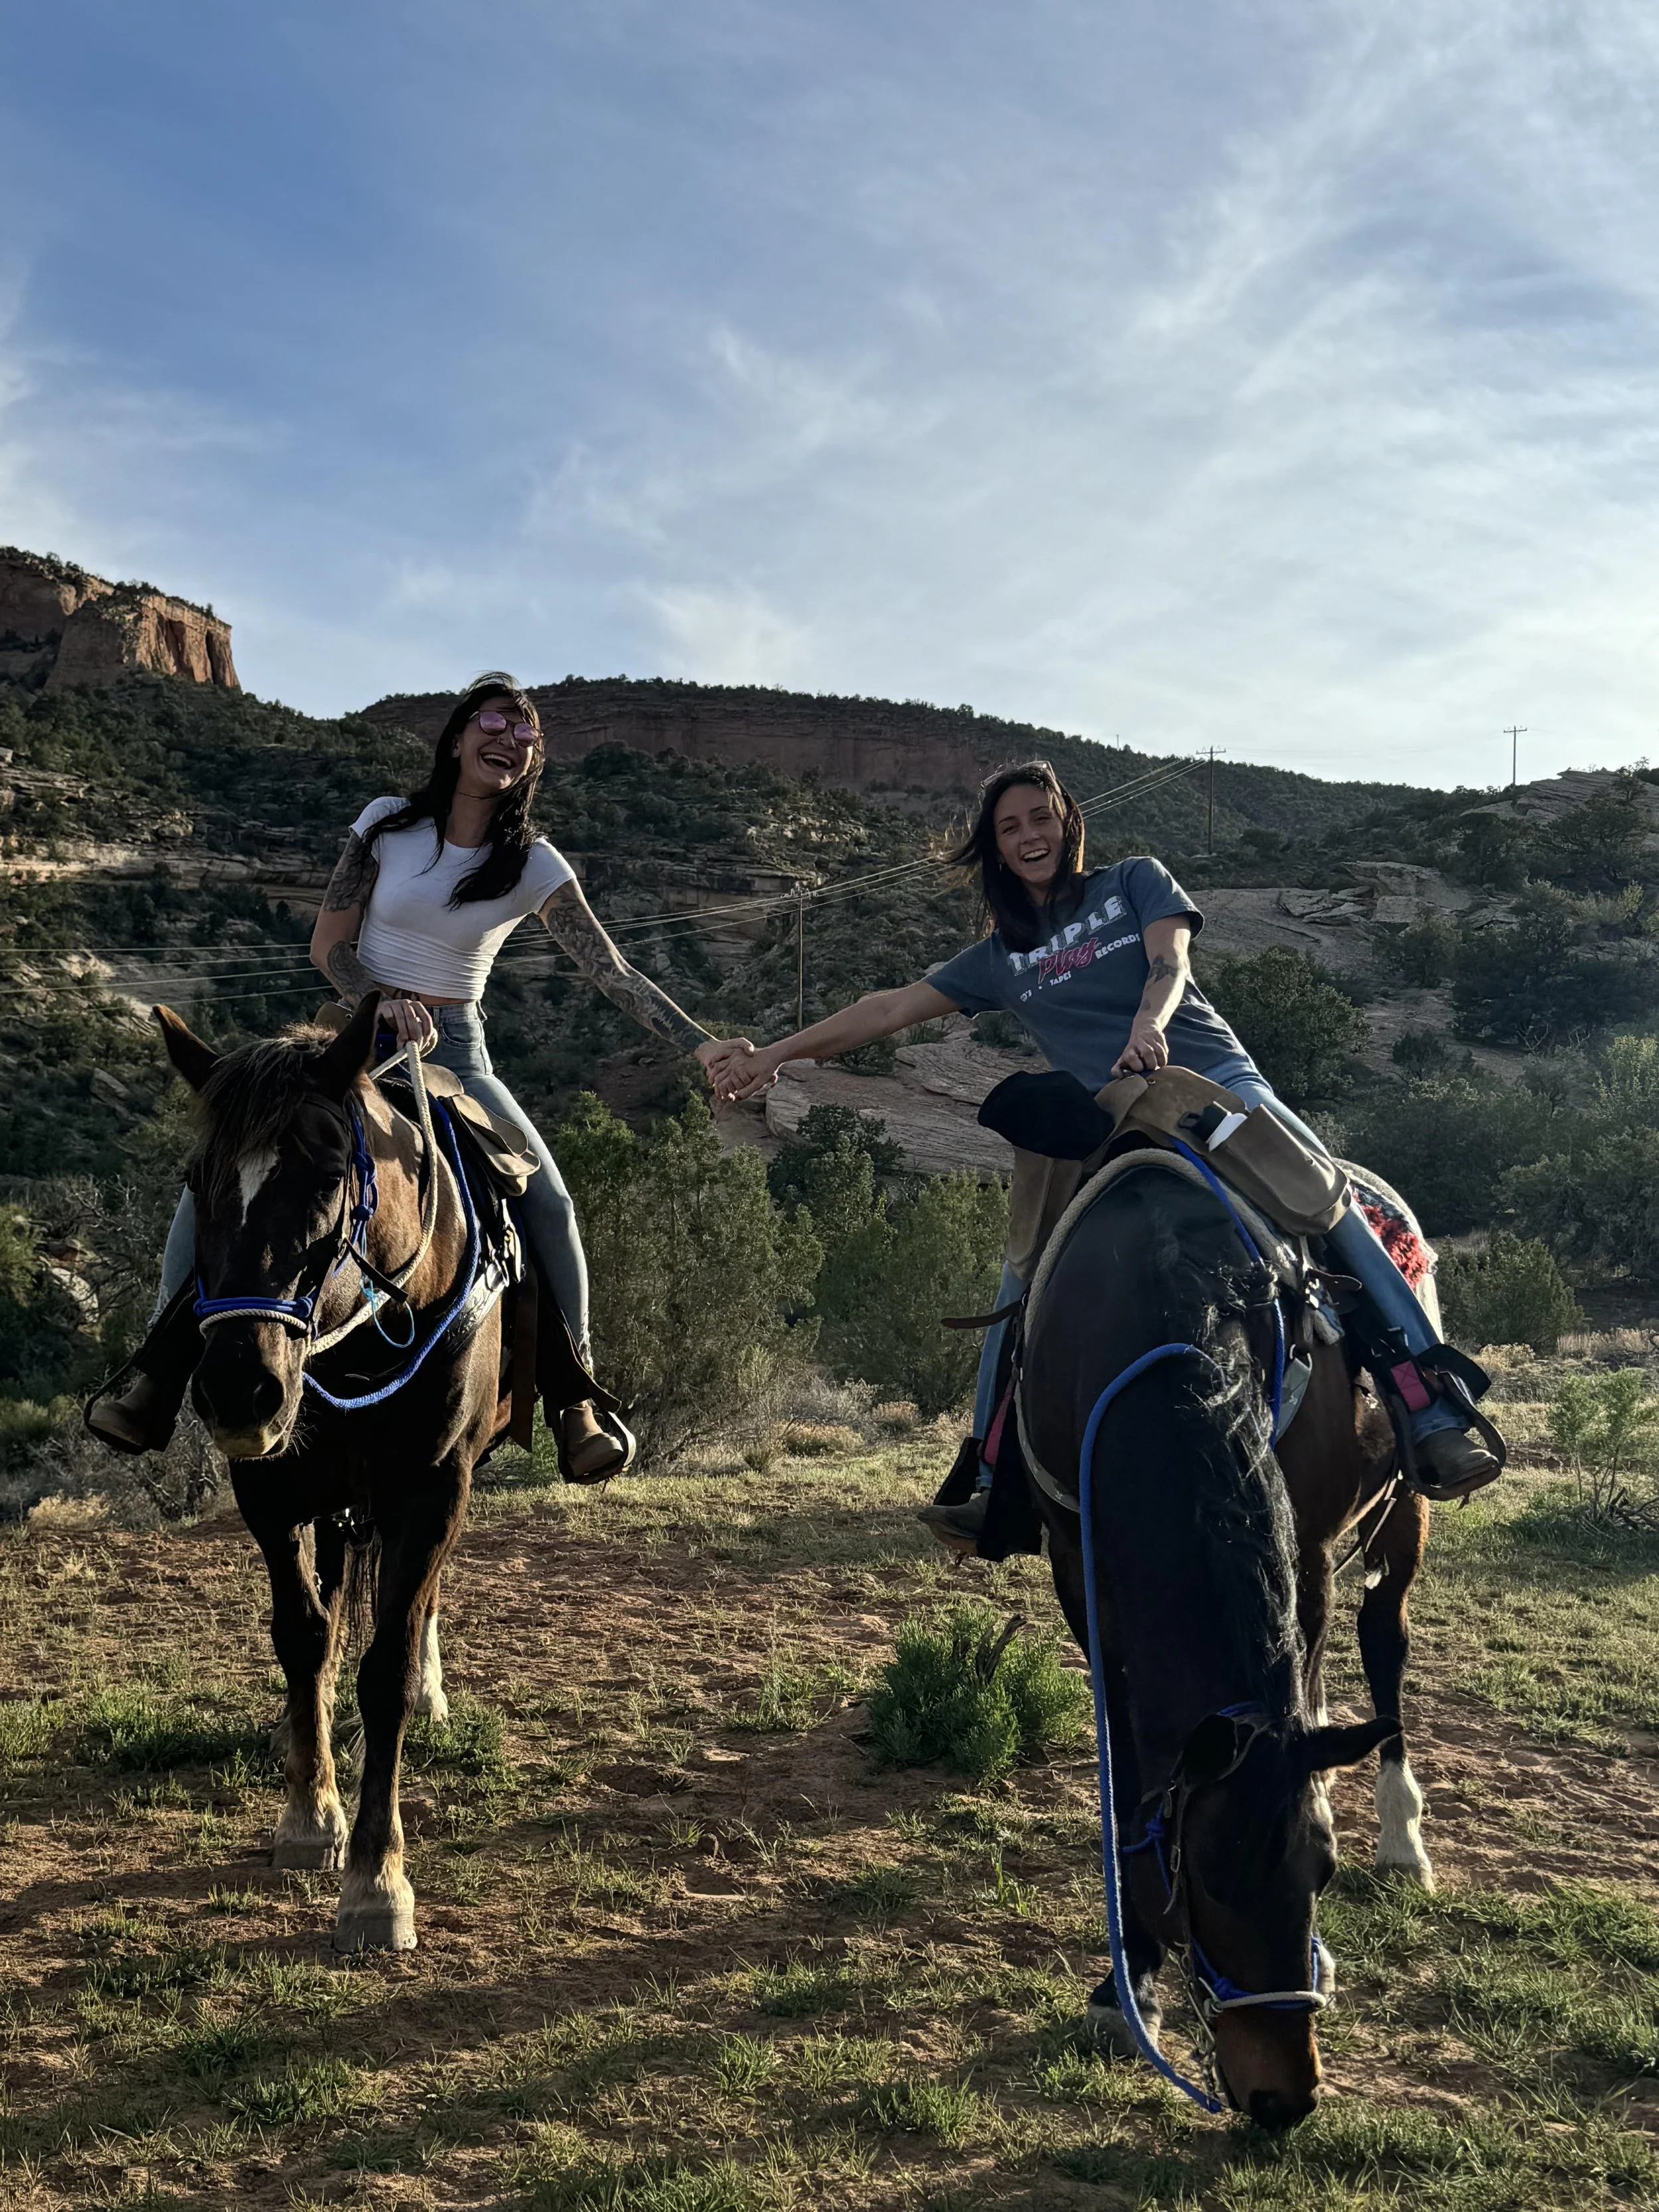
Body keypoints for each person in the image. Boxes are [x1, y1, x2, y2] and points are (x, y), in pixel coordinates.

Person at [717, 758, 1501, 1533]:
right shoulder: (998, 957)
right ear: (995, 847)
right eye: (1009, 827)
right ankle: (998, 1474)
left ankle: (1429, 1404)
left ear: (1067, 822)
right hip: (1108, 1116)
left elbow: (1170, 962)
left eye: (1040, 818)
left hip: (1209, 1080)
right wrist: (772, 1056)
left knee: (1320, 1198)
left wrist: (1148, 1028)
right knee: (1026, 1270)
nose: (1029, 836)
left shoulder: (1133, 882)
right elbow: (883, 1010)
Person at [90, 672, 737, 1479]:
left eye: (527, 733)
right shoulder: (386, 826)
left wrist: (701, 1045)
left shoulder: (531, 864)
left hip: (455, 1054)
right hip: (342, 1044)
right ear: (460, 734)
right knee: (224, 1172)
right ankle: (155, 1372)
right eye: (496, 721)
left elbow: (611, 971)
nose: (509, 739)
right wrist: (381, 1000)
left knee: (549, 1199)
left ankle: (575, 1399)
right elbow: (327, 943)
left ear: (532, 762)